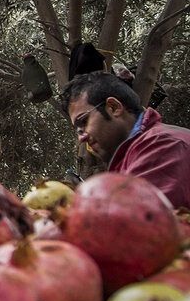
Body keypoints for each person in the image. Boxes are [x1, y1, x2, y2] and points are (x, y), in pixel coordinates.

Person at [61, 72, 190, 209]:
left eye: (83, 122)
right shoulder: (134, 156)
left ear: (114, 107)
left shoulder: (164, 146)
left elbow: (134, 223)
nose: (82, 138)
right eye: (78, 130)